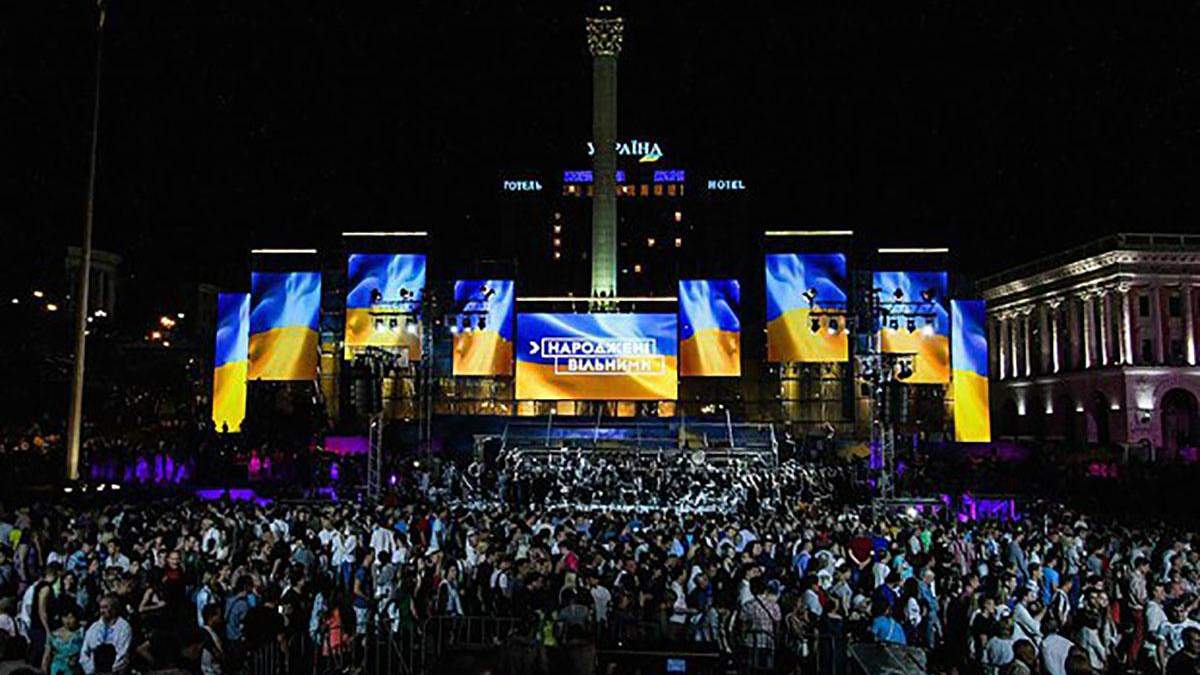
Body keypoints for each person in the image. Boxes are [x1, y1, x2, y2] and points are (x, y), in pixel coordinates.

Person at [80, 596, 131, 675]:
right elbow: (84, 652)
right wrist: (91, 670)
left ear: (114, 609)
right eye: (101, 608)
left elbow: (123, 652)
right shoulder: (94, 627)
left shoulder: (124, 627)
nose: (102, 611)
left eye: (105, 607)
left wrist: (111, 670)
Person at [41, 605, 84, 675]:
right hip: (56, 669)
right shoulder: (54, 635)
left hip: (73, 670)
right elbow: (47, 655)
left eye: (71, 617)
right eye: (65, 617)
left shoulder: (81, 634)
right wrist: (44, 668)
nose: (67, 621)